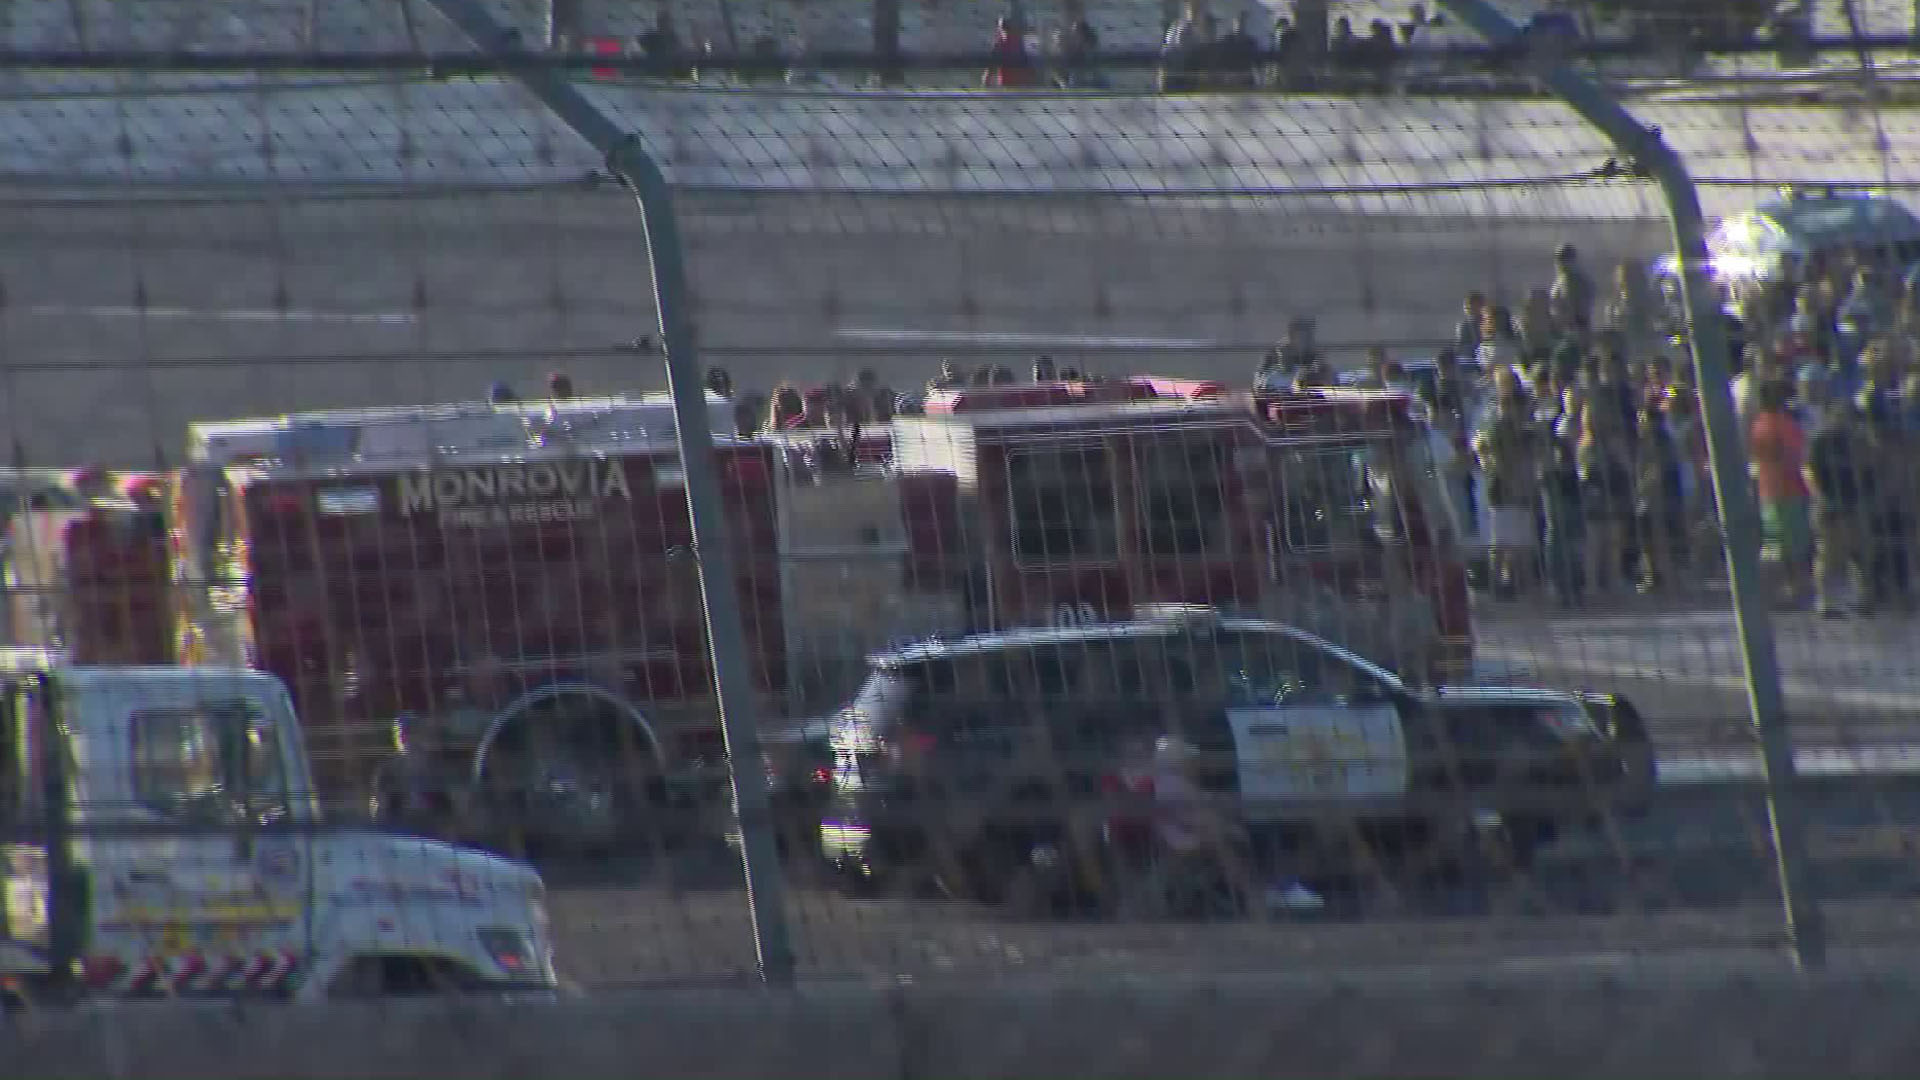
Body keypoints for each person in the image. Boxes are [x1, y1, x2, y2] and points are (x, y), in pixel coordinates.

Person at [1473, 372, 1543, 598]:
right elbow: (1498, 461)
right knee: (1501, 541)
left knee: (1521, 541)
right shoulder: (1498, 429)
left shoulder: (1523, 431)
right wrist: (1514, 484)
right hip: (1502, 490)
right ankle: (1498, 584)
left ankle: (1522, 584)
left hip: (1521, 489)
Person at [1748, 378, 1813, 608]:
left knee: (1777, 542)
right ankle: (1796, 588)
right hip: (1790, 490)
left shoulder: (1759, 424)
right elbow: (1796, 458)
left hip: (1768, 490)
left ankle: (1783, 588)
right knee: (1795, 543)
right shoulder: (1786, 425)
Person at [1805, 396, 1871, 617]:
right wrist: (1820, 498)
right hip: (1829, 504)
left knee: (1858, 551)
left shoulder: (1856, 442)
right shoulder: (1821, 442)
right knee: (1829, 554)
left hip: (1853, 503)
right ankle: (1825, 601)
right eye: (1842, 417)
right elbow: (1809, 472)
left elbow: (1865, 471)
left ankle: (1858, 597)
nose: (1847, 422)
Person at [1550, 243, 1596, 334]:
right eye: (1561, 258)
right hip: (1567, 327)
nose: (1564, 262)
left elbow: (1580, 307)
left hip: (1575, 327)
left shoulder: (1575, 279)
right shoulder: (1562, 280)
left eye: (1566, 258)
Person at [985, 14, 1040, 88]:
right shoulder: (1029, 42)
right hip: (1020, 86)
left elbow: (990, 70)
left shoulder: (1002, 44)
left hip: (1017, 86)